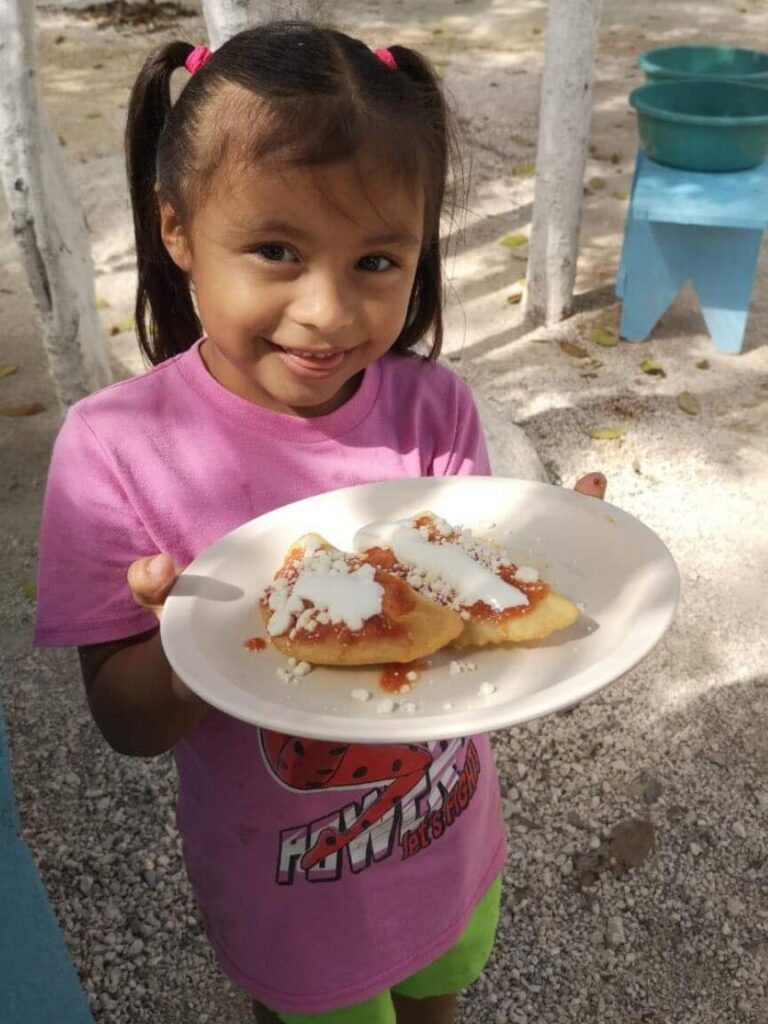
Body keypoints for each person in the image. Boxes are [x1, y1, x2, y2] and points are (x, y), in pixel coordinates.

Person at [34, 21, 606, 1024]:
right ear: (176, 230)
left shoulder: (434, 410)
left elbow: (461, 633)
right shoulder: (112, 450)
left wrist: (544, 562)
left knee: (443, 992)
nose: (329, 311)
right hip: (290, 897)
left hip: (450, 838)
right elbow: (123, 723)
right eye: (276, 250)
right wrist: (189, 649)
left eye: (378, 260)